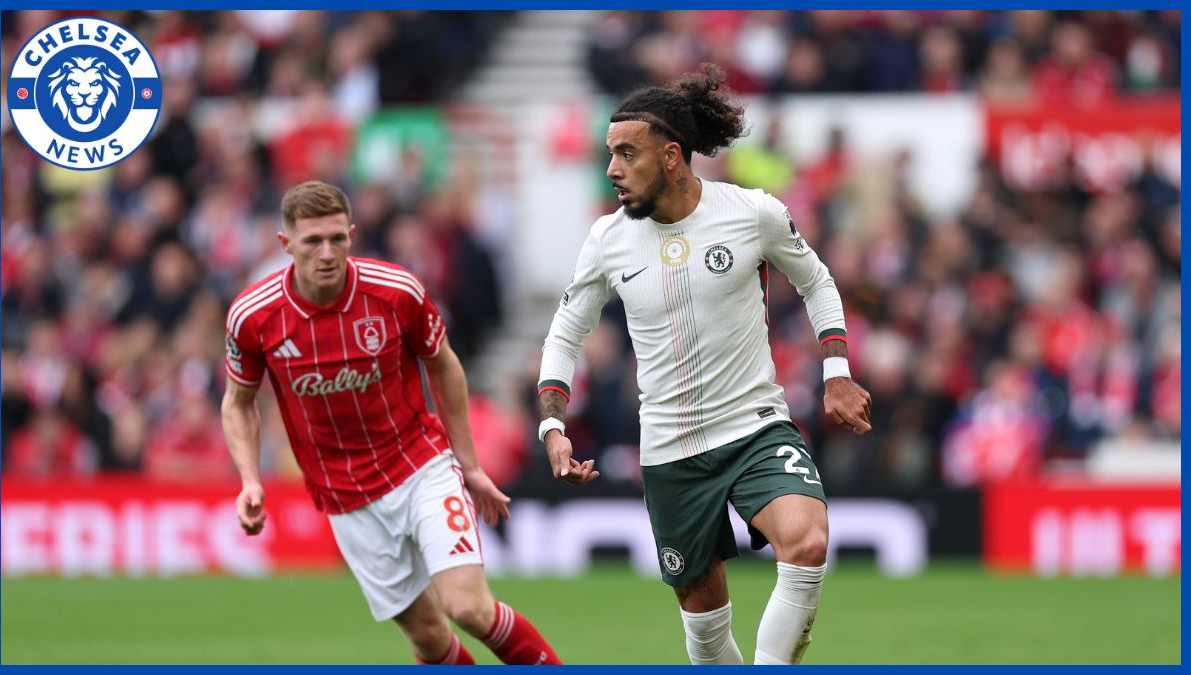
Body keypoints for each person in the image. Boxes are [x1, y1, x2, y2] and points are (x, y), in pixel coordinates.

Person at [536, 64, 872, 665]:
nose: (611, 169)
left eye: (625, 154)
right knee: (705, 616)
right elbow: (566, 331)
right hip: (671, 450)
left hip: (755, 427)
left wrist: (837, 372)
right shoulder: (607, 240)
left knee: (808, 540)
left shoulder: (752, 213)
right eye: (608, 154)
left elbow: (817, 282)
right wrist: (553, 426)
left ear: (670, 156)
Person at [221, 180, 561, 665]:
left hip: (419, 465)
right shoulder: (253, 317)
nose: (326, 252)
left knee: (467, 607)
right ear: (285, 244)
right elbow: (237, 402)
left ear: (352, 235)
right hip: (345, 496)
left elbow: (444, 364)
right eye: (313, 241)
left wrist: (469, 464)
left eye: (337, 238)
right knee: (427, 636)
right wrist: (250, 480)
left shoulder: (395, 291)